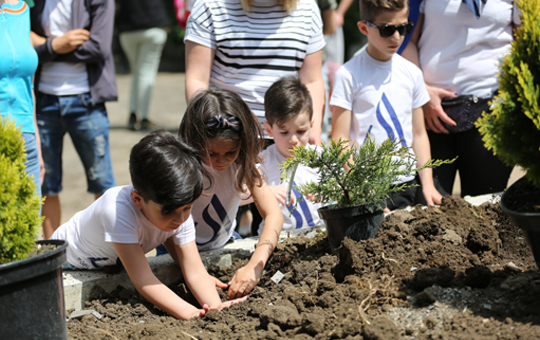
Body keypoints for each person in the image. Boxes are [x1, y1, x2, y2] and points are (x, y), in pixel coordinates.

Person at [50, 130, 245, 320]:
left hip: (106, 262)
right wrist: (190, 312)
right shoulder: (117, 211)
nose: (179, 219)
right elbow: (144, 279)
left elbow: (194, 270)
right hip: (65, 261)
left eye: (187, 208)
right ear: (137, 199)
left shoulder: (178, 211)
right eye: (168, 211)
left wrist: (215, 308)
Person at [330, 0, 446, 210]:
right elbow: (339, 139)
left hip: (408, 183)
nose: (396, 37)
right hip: (369, 187)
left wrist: (427, 184)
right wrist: (361, 185)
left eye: (403, 28)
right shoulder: (348, 75)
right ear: (364, 28)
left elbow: (418, 134)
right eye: (387, 30)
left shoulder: (412, 73)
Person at [401, 0, 519, 197]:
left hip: (492, 112)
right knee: (429, 209)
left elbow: (524, 42)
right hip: (430, 113)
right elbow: (405, 39)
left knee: (485, 208)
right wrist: (422, 92)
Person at [179, 88, 283, 300]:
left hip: (224, 242)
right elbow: (176, 232)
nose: (221, 161)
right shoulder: (184, 169)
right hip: (178, 251)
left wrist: (255, 266)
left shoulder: (243, 167)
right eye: (211, 153)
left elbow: (273, 214)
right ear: (195, 142)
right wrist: (198, 273)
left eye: (230, 153)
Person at [30, 0, 117, 239]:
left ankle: (107, 249)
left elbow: (98, 48)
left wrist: (45, 46)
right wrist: (58, 43)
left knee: (102, 182)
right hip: (44, 100)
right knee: (46, 184)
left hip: (86, 102)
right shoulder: (34, 3)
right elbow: (24, 47)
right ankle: (51, 254)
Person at [184, 0, 326, 145]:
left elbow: (311, 80)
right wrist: (208, 127)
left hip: (288, 136)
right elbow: (197, 78)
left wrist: (313, 131)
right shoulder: (209, 6)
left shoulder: (307, 7)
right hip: (227, 136)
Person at [249, 76, 322, 232]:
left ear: (311, 125)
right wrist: (265, 191)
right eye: (284, 132)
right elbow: (240, 191)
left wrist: (326, 191)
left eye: (301, 131)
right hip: (279, 239)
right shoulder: (264, 161)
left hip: (320, 234)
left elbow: (343, 187)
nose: (293, 140)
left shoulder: (321, 157)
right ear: (269, 130)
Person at [0, 0, 43, 204]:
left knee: (27, 226)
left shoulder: (23, 9)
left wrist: (36, 140)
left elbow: (28, 86)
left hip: (26, 138)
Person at [116, 0, 169, 131]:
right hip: (154, 27)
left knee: (137, 72)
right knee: (146, 73)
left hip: (127, 30)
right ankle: (144, 118)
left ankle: (133, 116)